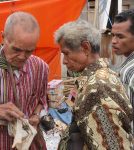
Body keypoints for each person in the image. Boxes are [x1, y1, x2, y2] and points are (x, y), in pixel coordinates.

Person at [54, 20, 133, 150]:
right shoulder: (101, 75)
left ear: (86, 48)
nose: (64, 61)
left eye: (66, 53)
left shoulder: (96, 90)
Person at [0, 11, 48, 149]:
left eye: (29, 51)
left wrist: (37, 115)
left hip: (28, 144)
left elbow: (42, 100)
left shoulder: (40, 67)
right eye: (16, 49)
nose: (22, 57)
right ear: (3, 37)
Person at [111, 9, 134, 134]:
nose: (114, 41)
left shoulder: (128, 72)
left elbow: (127, 119)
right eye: (113, 35)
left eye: (120, 36)